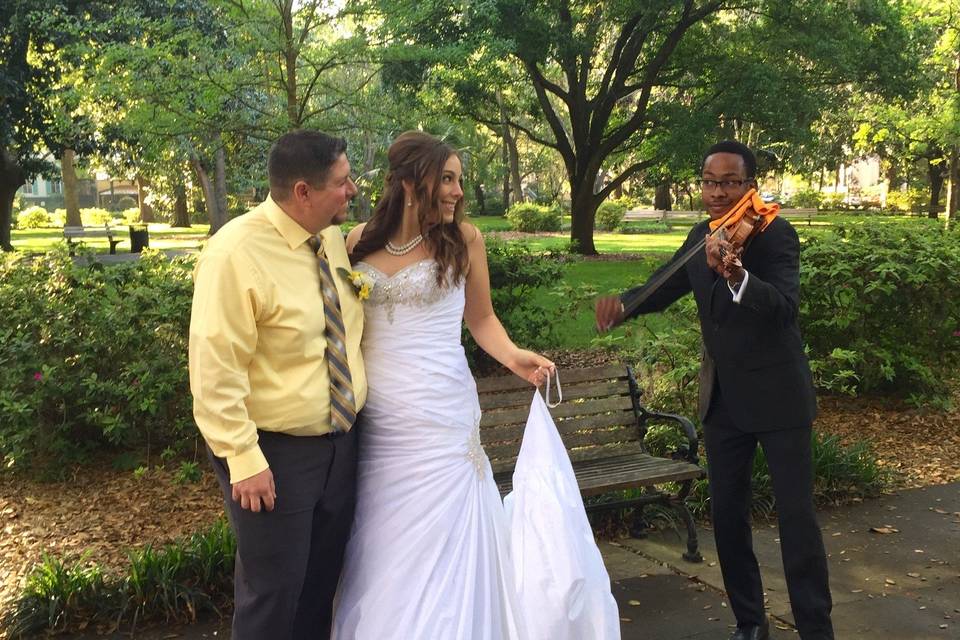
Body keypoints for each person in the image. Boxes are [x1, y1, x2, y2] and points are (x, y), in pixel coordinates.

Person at [595, 140, 834, 640]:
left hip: (777, 396)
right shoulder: (701, 235)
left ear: (750, 185)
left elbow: (784, 309)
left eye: (729, 182)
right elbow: (667, 286)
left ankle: (816, 630)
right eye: (709, 181)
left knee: (797, 524)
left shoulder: (774, 235)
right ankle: (750, 624)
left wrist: (738, 276)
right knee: (727, 518)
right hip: (723, 400)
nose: (718, 192)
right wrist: (626, 306)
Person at [331, 131, 555, 638]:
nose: (457, 191)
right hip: (382, 417)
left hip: (442, 411)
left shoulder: (464, 240)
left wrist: (516, 358)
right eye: (447, 179)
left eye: (458, 180)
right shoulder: (357, 241)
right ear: (412, 183)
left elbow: (482, 320)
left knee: (448, 530)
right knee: (385, 533)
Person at [189, 129, 366, 639]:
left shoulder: (329, 238)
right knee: (273, 595)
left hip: (341, 445)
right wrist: (243, 459)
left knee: (318, 590)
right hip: (275, 456)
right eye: (341, 181)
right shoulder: (235, 254)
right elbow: (215, 368)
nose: (352, 189)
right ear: (303, 192)